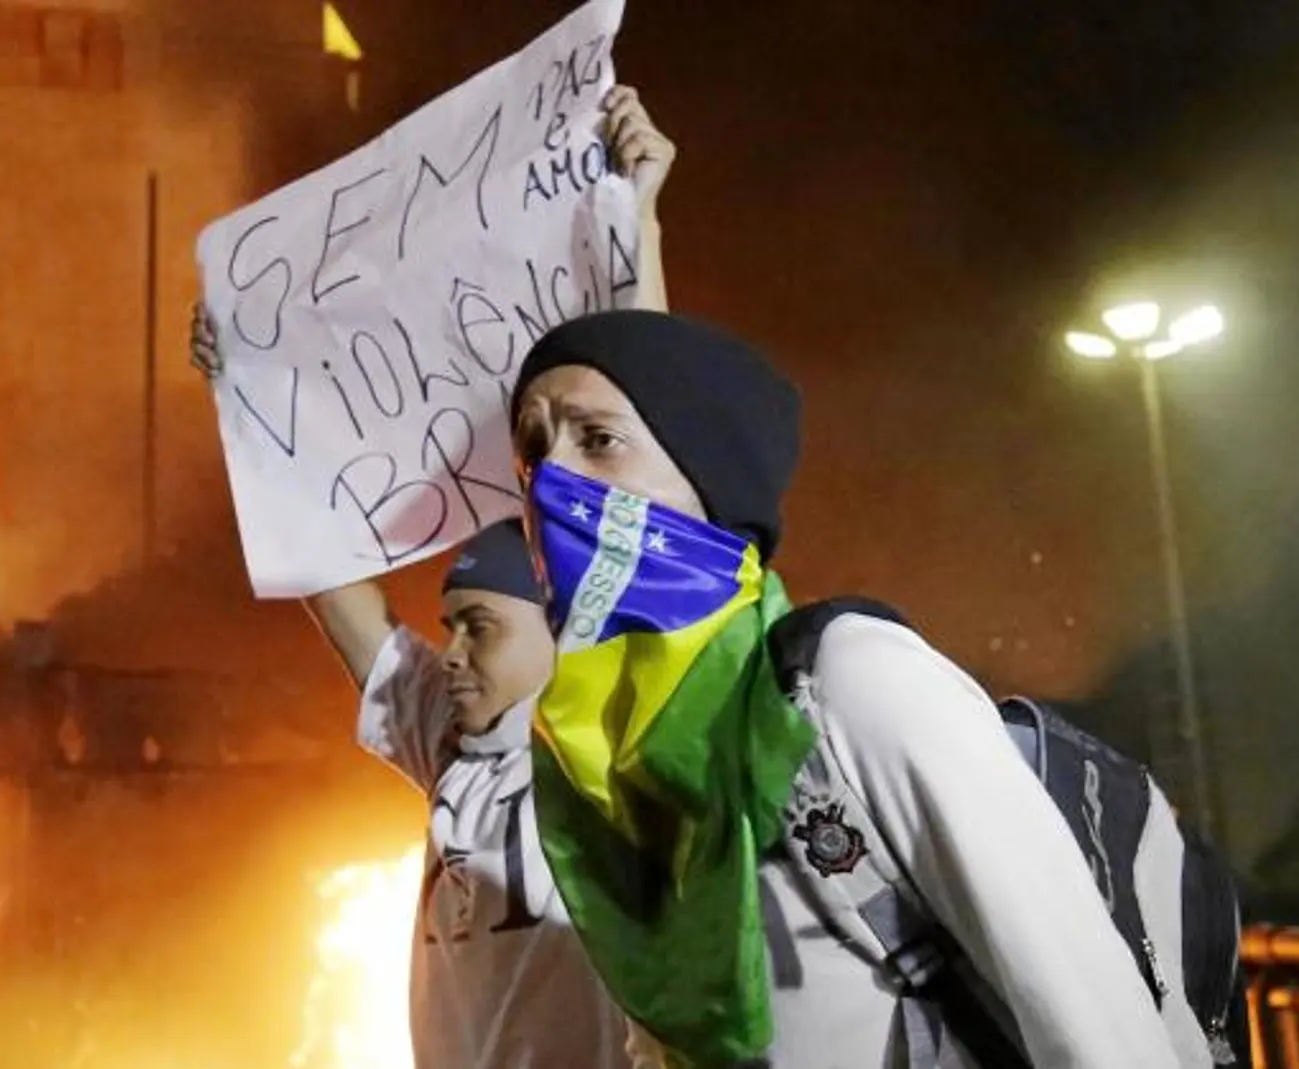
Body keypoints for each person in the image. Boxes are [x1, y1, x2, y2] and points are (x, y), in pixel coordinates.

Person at [509, 309, 1213, 1068]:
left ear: (705, 467)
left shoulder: (849, 683)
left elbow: (1093, 1021)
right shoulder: (599, 771)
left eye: (599, 440)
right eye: (532, 451)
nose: (553, 481)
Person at [193, 84, 675, 1069]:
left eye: (478, 627)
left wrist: (641, 216)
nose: (447, 653)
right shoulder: (450, 748)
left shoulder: (614, 738)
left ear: (560, 627)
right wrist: (241, 394)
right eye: (449, 624)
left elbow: (650, 463)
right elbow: (333, 584)